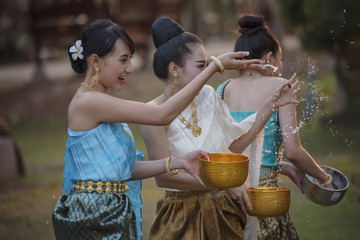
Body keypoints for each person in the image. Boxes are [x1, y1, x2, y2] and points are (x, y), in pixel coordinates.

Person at [51, 19, 253, 240]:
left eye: (130, 60)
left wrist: (177, 161)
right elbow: (162, 114)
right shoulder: (88, 103)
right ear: (96, 61)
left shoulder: (99, 103)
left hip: (113, 210)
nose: (129, 68)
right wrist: (214, 67)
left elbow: (127, 169)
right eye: (123, 60)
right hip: (93, 214)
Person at [140, 17, 300, 240]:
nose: (208, 71)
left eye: (208, 65)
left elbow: (233, 148)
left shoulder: (208, 95)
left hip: (224, 212)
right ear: (174, 69)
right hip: (182, 216)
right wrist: (222, 185)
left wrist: (269, 107)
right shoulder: (152, 111)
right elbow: (164, 178)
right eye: (201, 66)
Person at [216, 14, 332, 240]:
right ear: (269, 57)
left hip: (229, 195)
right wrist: (324, 177)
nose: (280, 66)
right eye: (280, 59)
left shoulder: (222, 89)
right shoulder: (281, 87)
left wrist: (285, 168)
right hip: (263, 198)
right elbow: (294, 151)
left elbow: (237, 150)